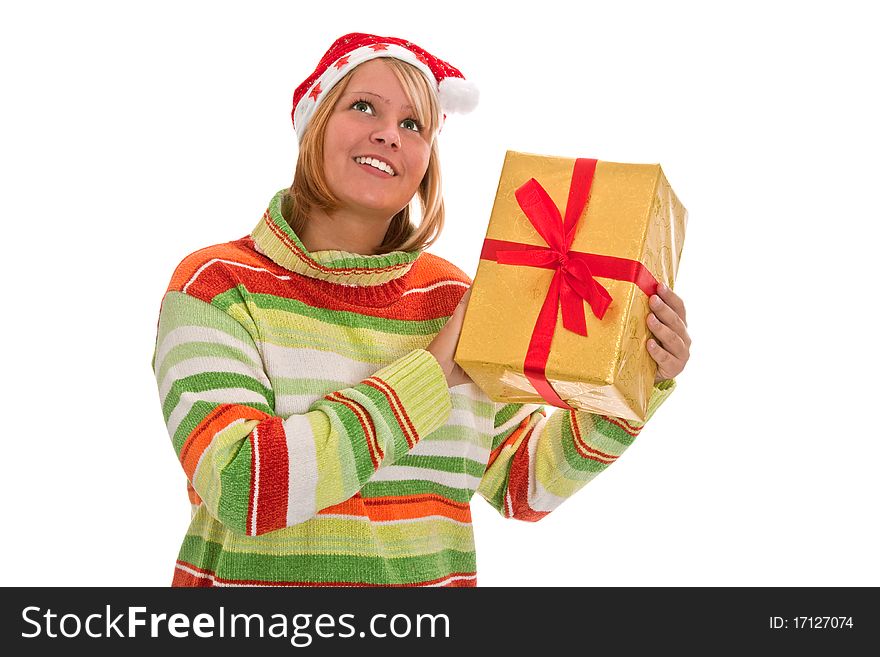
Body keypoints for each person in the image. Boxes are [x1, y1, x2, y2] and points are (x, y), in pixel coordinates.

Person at [151, 32, 691, 587]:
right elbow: (245, 488)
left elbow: (522, 483)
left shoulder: (454, 299)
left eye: (414, 125)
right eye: (363, 107)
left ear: (427, 160)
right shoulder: (215, 285)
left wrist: (634, 378)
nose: (389, 134)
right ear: (314, 123)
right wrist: (430, 374)